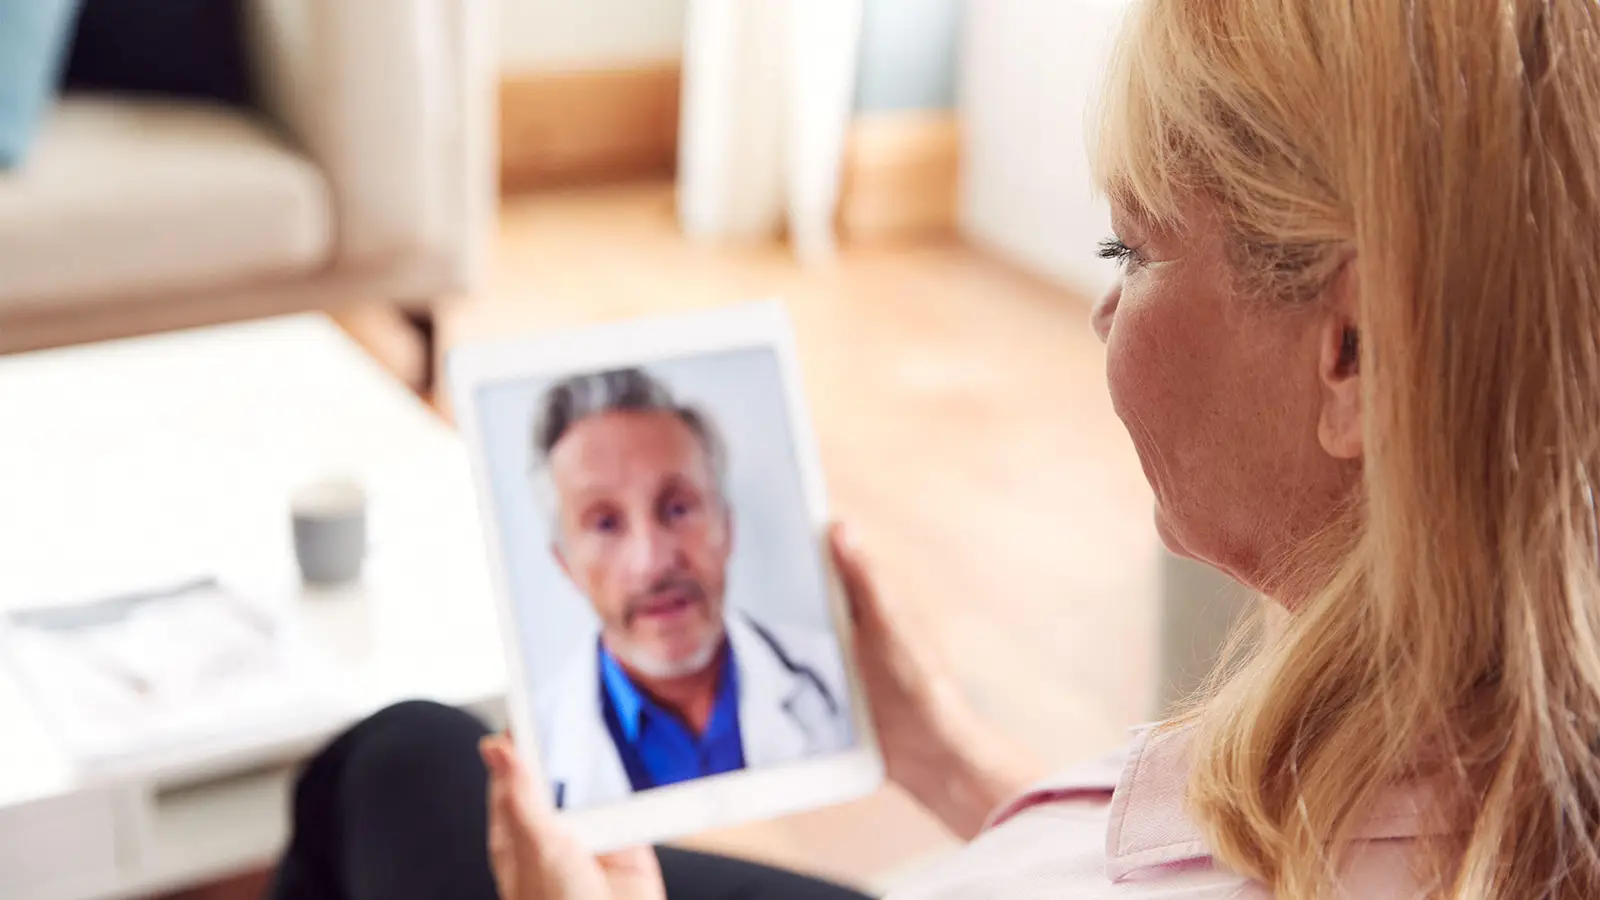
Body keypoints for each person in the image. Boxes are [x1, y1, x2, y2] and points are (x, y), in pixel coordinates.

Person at [270, 0, 1600, 897]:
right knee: (394, 762)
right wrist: (944, 752)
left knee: (395, 770)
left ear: (1351, 352)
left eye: (1130, 248)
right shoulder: (1481, 753)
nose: (1104, 310)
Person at [529, 368, 852, 810]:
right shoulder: (535, 755)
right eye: (605, 523)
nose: (653, 563)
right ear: (566, 565)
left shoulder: (844, 683)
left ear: (728, 528)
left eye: (678, 508)